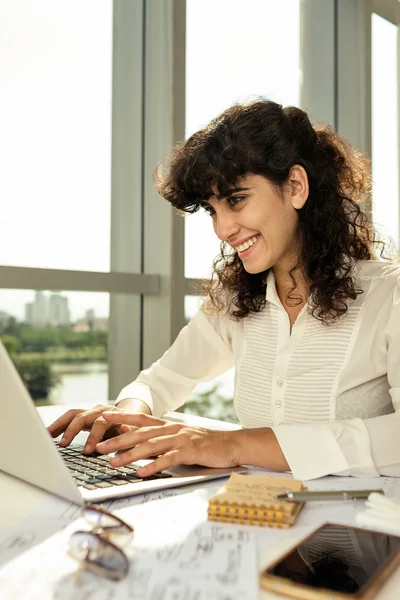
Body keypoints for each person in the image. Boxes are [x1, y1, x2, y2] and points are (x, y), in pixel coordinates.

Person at [48, 99, 400, 481]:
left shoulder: (388, 296)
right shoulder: (237, 300)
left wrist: (233, 444)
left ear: (296, 186)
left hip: (363, 536)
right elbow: (161, 381)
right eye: (213, 210)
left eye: (236, 200)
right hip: (261, 530)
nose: (223, 229)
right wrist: (126, 416)